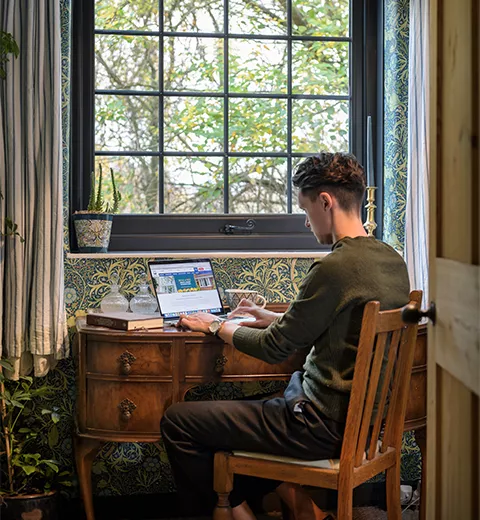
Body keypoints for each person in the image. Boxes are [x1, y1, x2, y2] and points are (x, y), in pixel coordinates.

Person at [160, 152, 410, 520]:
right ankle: (254, 506)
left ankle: (228, 508)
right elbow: (334, 323)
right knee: (251, 408)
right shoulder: (392, 260)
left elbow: (276, 347)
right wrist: (266, 315)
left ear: (325, 202)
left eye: (306, 211)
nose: (308, 224)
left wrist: (215, 325)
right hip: (364, 426)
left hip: (318, 426)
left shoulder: (334, 267)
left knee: (179, 420)